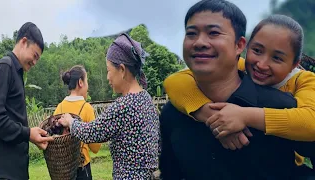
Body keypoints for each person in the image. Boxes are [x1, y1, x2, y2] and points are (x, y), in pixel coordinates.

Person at [159, 0, 314, 179]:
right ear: (246, 48)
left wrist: (245, 116)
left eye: (214, 33)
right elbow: (174, 80)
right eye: (257, 50)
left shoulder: (298, 89)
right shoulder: (174, 112)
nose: (262, 64)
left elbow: (311, 122)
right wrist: (209, 113)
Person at [58, 33, 160, 179]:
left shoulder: (124, 106)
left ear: (122, 70)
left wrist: (70, 121)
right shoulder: (146, 99)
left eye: (108, 71)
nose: (107, 77)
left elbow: (92, 132)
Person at [0, 22, 54, 180]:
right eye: (35, 56)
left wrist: (30, 135)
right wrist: (28, 133)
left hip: (16, 171)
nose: (35, 62)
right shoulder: (4, 67)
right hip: (4, 172)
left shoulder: (16, 72)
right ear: (23, 42)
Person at [53, 65, 101, 180]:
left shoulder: (59, 107)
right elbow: (95, 147)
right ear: (80, 82)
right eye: (87, 81)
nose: (87, 86)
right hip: (82, 169)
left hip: (63, 170)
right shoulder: (86, 108)